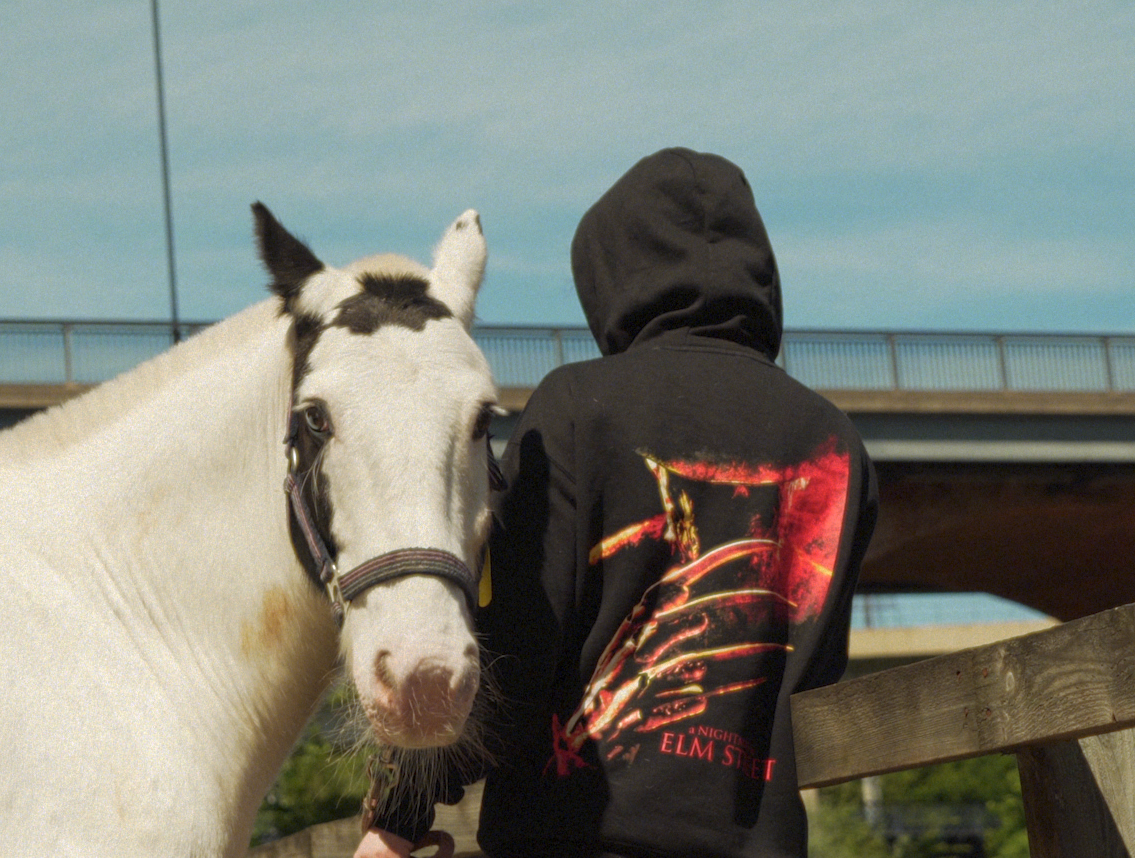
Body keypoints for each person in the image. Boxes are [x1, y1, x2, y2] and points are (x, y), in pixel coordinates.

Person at [356, 148, 877, 858]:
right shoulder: (835, 446)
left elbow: (511, 646)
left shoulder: (578, 409)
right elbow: (814, 669)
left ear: (611, 276)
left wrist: (399, 815)